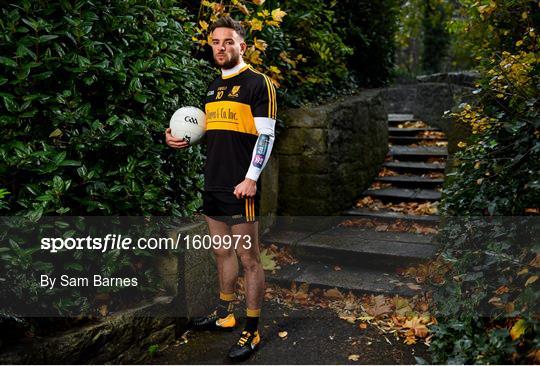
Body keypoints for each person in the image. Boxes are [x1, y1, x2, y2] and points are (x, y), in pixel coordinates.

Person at [165, 15, 276, 362]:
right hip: (212, 184)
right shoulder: (213, 87)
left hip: (241, 187)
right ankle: (226, 313)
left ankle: (252, 329)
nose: (221, 47)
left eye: (228, 42)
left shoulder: (260, 84)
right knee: (221, 253)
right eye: (215, 42)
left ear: (242, 45)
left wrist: (251, 179)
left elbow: (266, 136)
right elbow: (216, 134)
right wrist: (179, 139)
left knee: (249, 259)